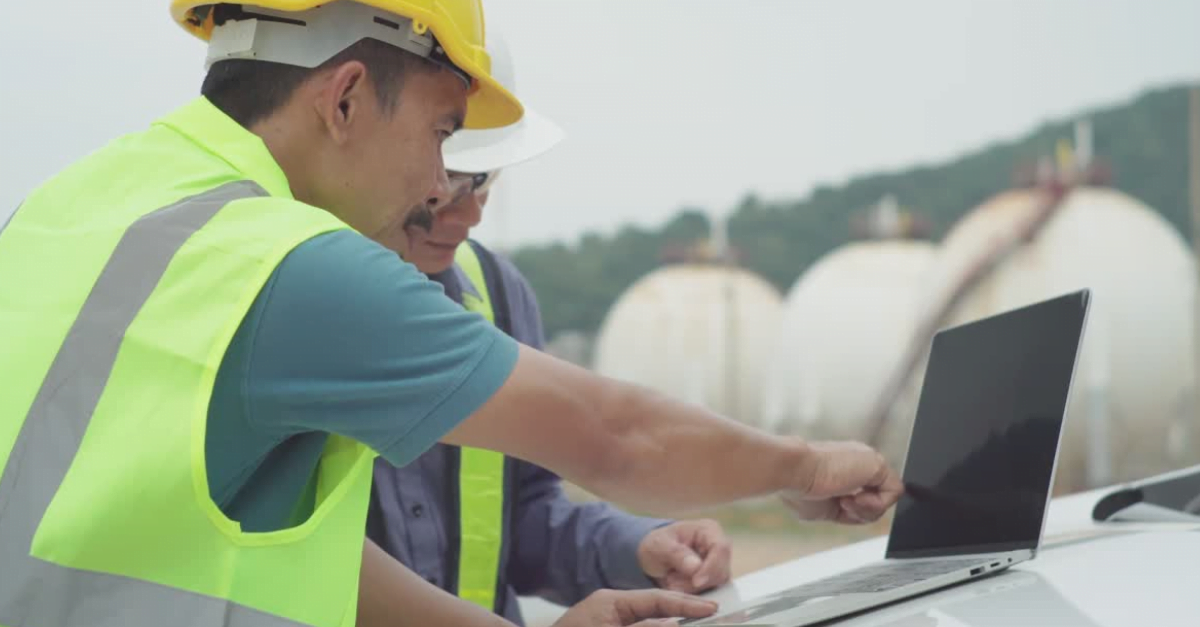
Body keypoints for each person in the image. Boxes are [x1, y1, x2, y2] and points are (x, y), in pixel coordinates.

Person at [0, 2, 903, 627]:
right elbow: (617, 435)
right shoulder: (286, 263)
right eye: (441, 133)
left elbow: (261, 555)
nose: (442, 187)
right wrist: (807, 463)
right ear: (345, 97)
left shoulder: (69, 207)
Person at [368, 33, 734, 625]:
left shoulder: (497, 294)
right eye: (452, 179)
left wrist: (637, 546)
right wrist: (804, 469)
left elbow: (523, 516)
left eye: (485, 179)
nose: (470, 211)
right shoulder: (273, 298)